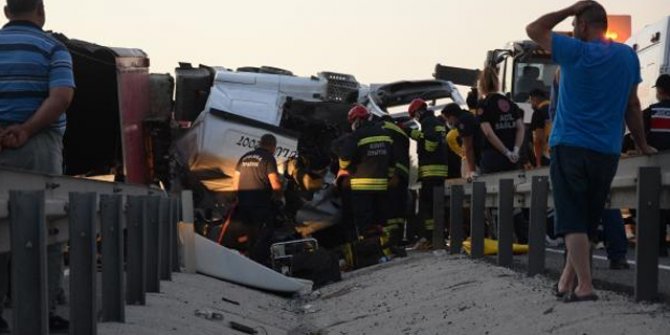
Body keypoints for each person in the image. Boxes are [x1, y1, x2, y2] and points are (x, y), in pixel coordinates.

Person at [527, 0, 656, 302]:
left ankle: (585, 286)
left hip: (570, 146)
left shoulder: (575, 52)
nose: (571, 30)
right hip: (606, 150)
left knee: (572, 218)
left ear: (583, 25)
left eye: (574, 25)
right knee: (585, 220)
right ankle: (564, 282)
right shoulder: (628, 56)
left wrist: (570, 8)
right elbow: (632, 105)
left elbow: (534, 29)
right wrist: (640, 143)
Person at [0, 0, 75, 332]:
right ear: (41, 12)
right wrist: (27, 129)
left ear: (6, 12)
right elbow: (61, 97)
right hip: (38, 147)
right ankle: (41, 311)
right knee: (47, 227)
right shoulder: (53, 48)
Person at [338, 105, 394, 255]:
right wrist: (387, 177)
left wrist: (347, 167)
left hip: (361, 186)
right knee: (381, 220)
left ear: (356, 120)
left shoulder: (356, 136)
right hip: (382, 185)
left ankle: (371, 253)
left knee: (365, 222)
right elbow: (392, 160)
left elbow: (344, 160)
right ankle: (386, 250)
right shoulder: (384, 133)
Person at [232, 134, 283, 265]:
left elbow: (235, 182)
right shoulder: (268, 158)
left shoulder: (245, 157)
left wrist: (236, 199)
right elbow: (275, 182)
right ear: (273, 146)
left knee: (250, 235)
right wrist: (279, 198)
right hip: (260, 204)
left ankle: (248, 262)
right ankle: (261, 264)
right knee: (265, 234)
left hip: (243, 204)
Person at [408, 98, 448, 249]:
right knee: (436, 206)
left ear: (418, 112)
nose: (415, 119)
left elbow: (430, 145)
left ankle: (431, 239)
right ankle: (438, 237)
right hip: (440, 171)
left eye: (414, 116)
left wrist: (413, 134)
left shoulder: (428, 123)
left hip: (431, 172)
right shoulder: (438, 122)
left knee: (428, 207)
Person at [477, 66, 525, 174]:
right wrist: (515, 151)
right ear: (497, 82)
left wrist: (506, 152)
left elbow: (489, 133)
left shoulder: (483, 105)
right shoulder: (510, 103)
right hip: (513, 159)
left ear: (482, 85)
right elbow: (520, 128)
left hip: (493, 157)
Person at [642, 73, 670, 256]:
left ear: (659, 91)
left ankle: (659, 247)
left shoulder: (650, 112)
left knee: (658, 206)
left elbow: (640, 138)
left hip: (657, 165)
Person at [381, 115, 409, 257]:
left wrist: (394, 175)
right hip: (403, 176)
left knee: (390, 212)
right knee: (399, 211)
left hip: (393, 177)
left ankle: (391, 243)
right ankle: (397, 240)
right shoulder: (401, 131)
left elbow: (392, 154)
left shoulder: (385, 129)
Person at [441, 103, 481, 180]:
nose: (448, 122)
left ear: (452, 117)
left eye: (447, 119)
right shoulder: (468, 116)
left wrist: (472, 171)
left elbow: (468, 147)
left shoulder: (462, 122)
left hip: (477, 158)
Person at [528, 88, 552, 167]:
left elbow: (538, 140)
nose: (530, 103)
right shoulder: (556, 109)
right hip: (557, 153)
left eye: (530, 100)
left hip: (545, 156)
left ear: (535, 99)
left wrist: (538, 162)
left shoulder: (538, 113)